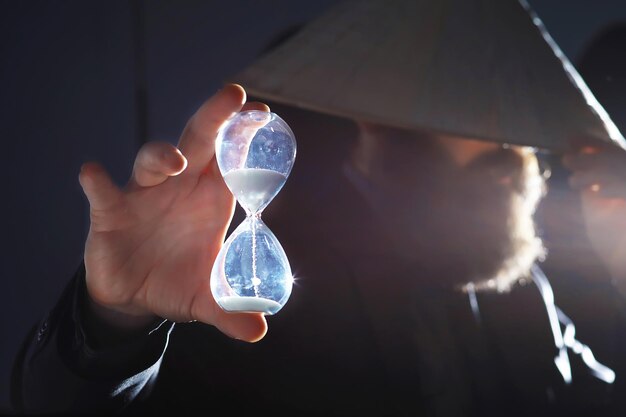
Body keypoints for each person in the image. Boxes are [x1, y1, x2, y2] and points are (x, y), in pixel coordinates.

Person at [10, 1, 626, 416]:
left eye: (519, 130)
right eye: (482, 119)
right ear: (381, 127)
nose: (521, 152)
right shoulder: (248, 288)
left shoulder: (521, 294)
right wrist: (114, 323)